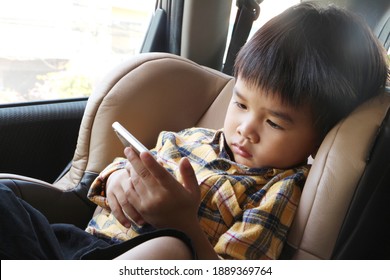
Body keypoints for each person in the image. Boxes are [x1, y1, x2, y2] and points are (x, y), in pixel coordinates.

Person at [0, 2, 388, 260]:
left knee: (169, 249)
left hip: (139, 259)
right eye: (239, 104)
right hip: (72, 243)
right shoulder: (188, 138)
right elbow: (103, 185)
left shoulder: (279, 190)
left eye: (273, 123)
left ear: (320, 137)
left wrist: (181, 223)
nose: (246, 130)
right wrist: (116, 180)